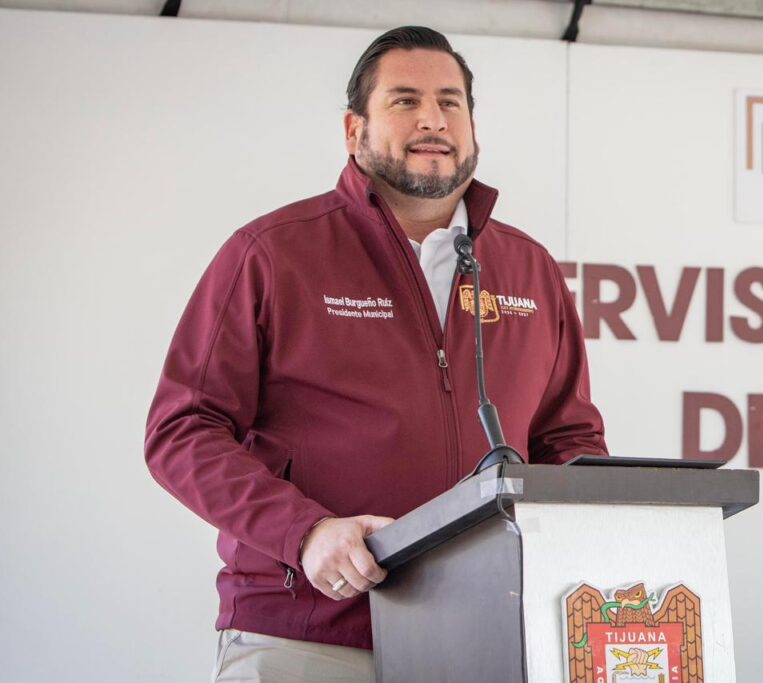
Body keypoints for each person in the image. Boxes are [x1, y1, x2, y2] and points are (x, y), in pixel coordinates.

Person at [145, 26, 606, 682]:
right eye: (404, 100)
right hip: (309, 634)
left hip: (488, 638)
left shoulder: (529, 269)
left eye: (450, 102)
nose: (432, 119)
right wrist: (303, 532)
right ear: (352, 130)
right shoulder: (273, 253)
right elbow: (182, 429)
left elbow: (568, 441)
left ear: (473, 129)